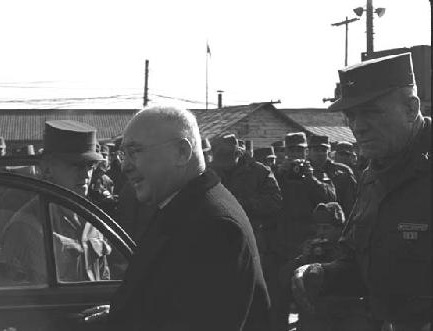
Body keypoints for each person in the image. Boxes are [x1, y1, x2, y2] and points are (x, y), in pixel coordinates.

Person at [292, 53, 431, 331]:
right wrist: (324, 274)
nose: (357, 126)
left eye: (371, 112)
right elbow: (362, 260)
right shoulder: (373, 174)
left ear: (410, 108)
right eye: (351, 115)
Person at [102, 106, 270, 330]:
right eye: (124, 154)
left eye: (135, 152)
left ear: (182, 152)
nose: (125, 166)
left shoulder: (215, 227)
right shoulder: (184, 206)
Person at [1, 120, 111, 283]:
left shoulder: (91, 219)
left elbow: (104, 276)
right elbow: (25, 296)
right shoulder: (27, 226)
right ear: (47, 169)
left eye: (90, 165)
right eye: (76, 165)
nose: (86, 174)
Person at [272, 131, 336, 331]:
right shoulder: (274, 172)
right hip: (281, 239)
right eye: (292, 150)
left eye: (300, 150)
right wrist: (280, 175)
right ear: (285, 152)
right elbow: (270, 199)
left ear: (306, 151)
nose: (296, 154)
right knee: (279, 295)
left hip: (309, 239)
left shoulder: (316, 172)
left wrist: (309, 178)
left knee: (308, 292)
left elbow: (329, 197)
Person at [281, 202, 373, 331]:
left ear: (339, 229)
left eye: (326, 228)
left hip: (341, 317)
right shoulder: (311, 247)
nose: (321, 233)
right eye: (318, 228)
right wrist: (303, 258)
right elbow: (285, 279)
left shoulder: (349, 250)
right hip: (313, 318)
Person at [210, 133, 282, 292]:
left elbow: (274, 202)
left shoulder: (260, 172)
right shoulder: (210, 171)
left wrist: (241, 204)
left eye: (228, 158)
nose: (224, 164)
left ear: (238, 154)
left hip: (252, 238)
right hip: (217, 240)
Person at [308, 135, 357, 219]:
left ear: (329, 151)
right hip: (308, 222)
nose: (320, 153)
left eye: (323, 150)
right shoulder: (300, 172)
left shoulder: (342, 172)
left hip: (336, 224)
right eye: (316, 150)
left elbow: (351, 204)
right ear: (308, 151)